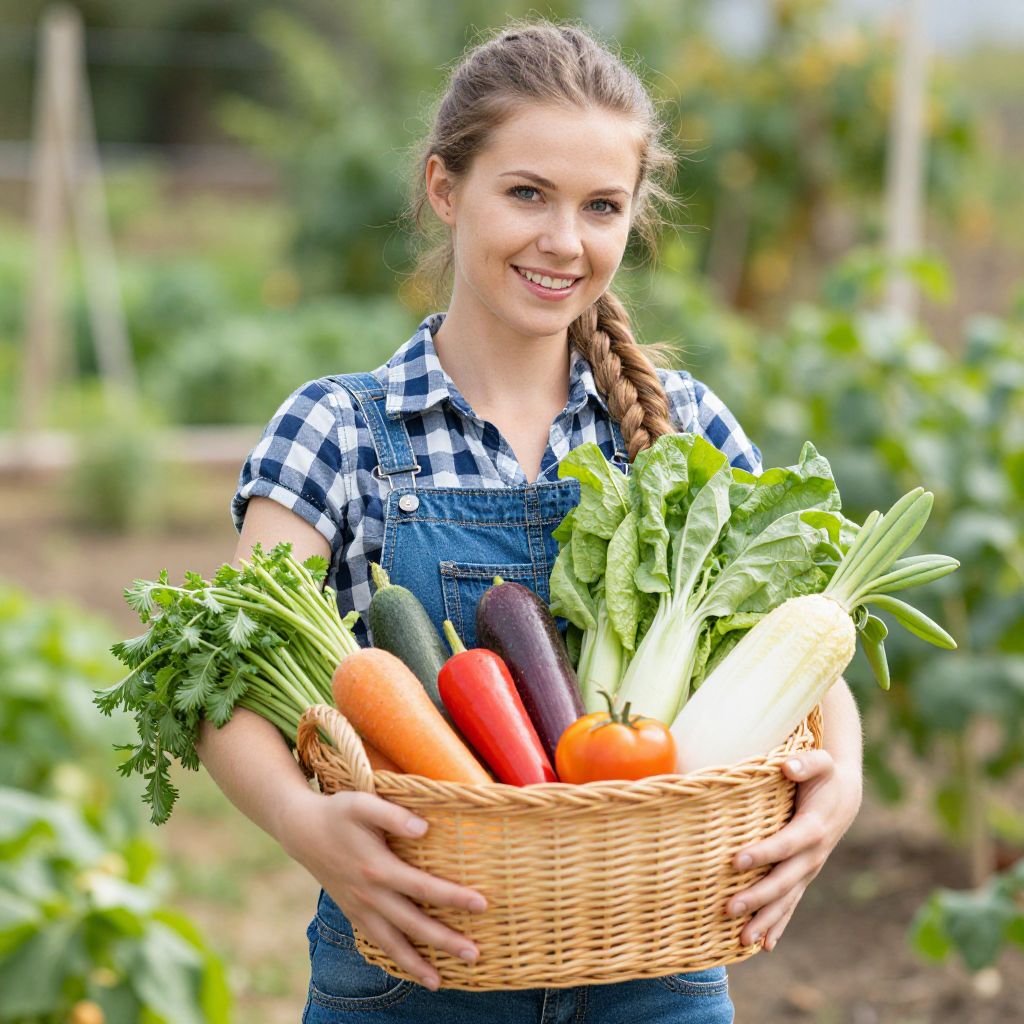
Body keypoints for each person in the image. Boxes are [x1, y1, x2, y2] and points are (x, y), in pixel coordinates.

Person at [198, 19, 864, 1024]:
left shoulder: (683, 428)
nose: (564, 241)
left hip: (657, 968)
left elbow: (803, 652)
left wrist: (840, 788)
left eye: (601, 206)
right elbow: (225, 682)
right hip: (416, 958)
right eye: (526, 193)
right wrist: (304, 822)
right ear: (443, 188)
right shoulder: (336, 430)